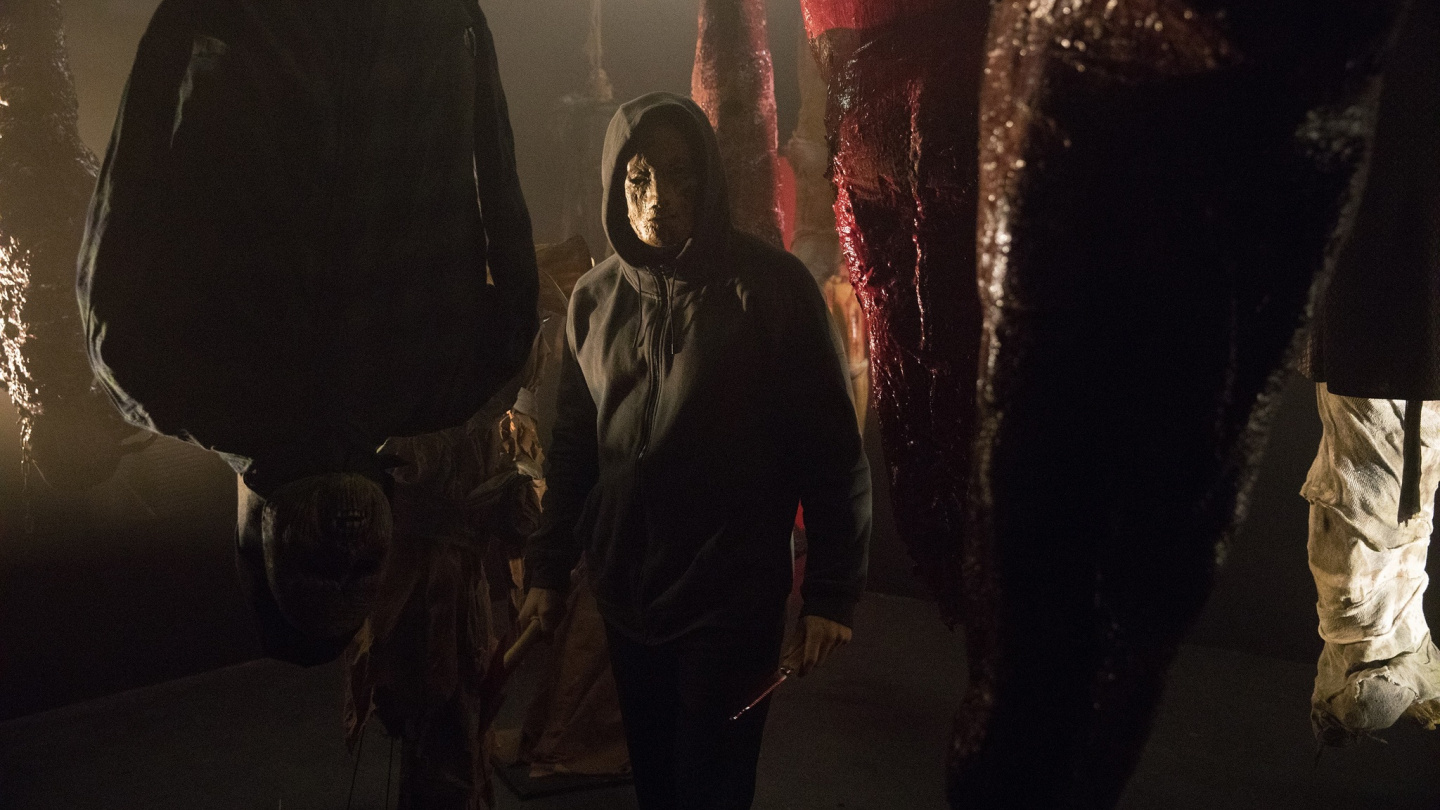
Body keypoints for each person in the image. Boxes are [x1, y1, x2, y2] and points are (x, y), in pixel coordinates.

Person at [518, 92, 871, 809]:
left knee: (711, 789)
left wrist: (832, 592)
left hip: (729, 600)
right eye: (639, 177)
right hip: (627, 597)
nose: (659, 199)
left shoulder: (770, 290)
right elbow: (575, 448)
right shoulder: (595, 300)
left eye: (679, 176)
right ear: (616, 181)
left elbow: (830, 449)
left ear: (706, 179)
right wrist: (548, 571)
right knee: (657, 785)